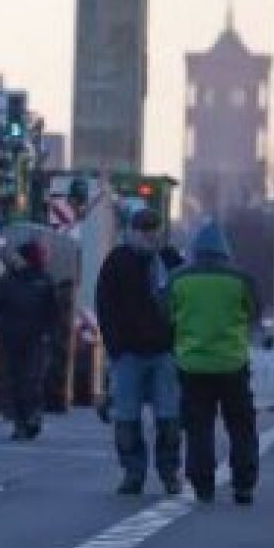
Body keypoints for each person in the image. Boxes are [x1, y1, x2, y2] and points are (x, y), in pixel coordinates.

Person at [168, 219, 263, 505]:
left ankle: (202, 484)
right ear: (225, 250)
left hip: (192, 364)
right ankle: (244, 484)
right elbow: (255, 312)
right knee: (241, 425)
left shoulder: (178, 278)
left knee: (199, 427)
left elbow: (166, 313)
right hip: (232, 363)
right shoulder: (241, 279)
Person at [96, 206, 185, 495]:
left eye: (152, 229)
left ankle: (169, 472)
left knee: (169, 418)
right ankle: (133, 472)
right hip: (129, 352)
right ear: (132, 231)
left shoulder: (171, 261)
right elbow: (105, 306)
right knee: (127, 417)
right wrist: (115, 345)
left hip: (164, 351)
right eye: (143, 229)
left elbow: (185, 303)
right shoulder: (118, 262)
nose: (148, 235)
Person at [0, 239, 60, 441]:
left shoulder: (45, 281)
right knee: (14, 381)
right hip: (11, 338)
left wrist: (50, 334)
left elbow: (54, 312)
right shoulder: (7, 281)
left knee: (32, 380)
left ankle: (34, 416)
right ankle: (19, 422)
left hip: (36, 339)